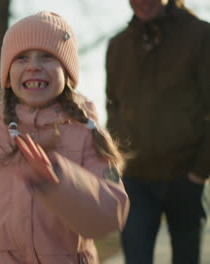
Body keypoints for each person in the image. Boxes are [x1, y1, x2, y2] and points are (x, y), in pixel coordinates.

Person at [0, 11, 129, 264]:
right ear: (7, 74)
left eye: (47, 56)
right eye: (21, 58)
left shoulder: (86, 133)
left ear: (68, 72)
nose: (33, 66)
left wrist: (60, 181)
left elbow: (109, 215)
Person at [105, 0, 210, 263]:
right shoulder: (117, 45)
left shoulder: (200, 35)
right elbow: (113, 107)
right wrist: (115, 165)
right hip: (134, 181)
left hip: (186, 178)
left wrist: (200, 171)